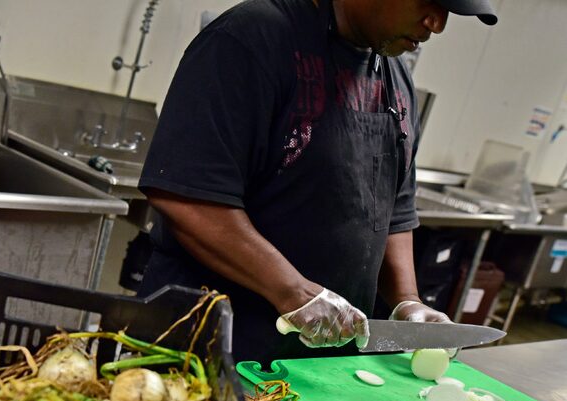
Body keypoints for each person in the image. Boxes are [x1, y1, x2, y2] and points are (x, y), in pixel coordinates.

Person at [137, 0, 497, 365]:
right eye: (429, 2)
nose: (437, 25)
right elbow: (187, 197)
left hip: (320, 366)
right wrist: (293, 290)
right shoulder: (249, 39)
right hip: (208, 347)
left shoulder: (395, 79)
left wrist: (407, 301)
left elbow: (392, 212)